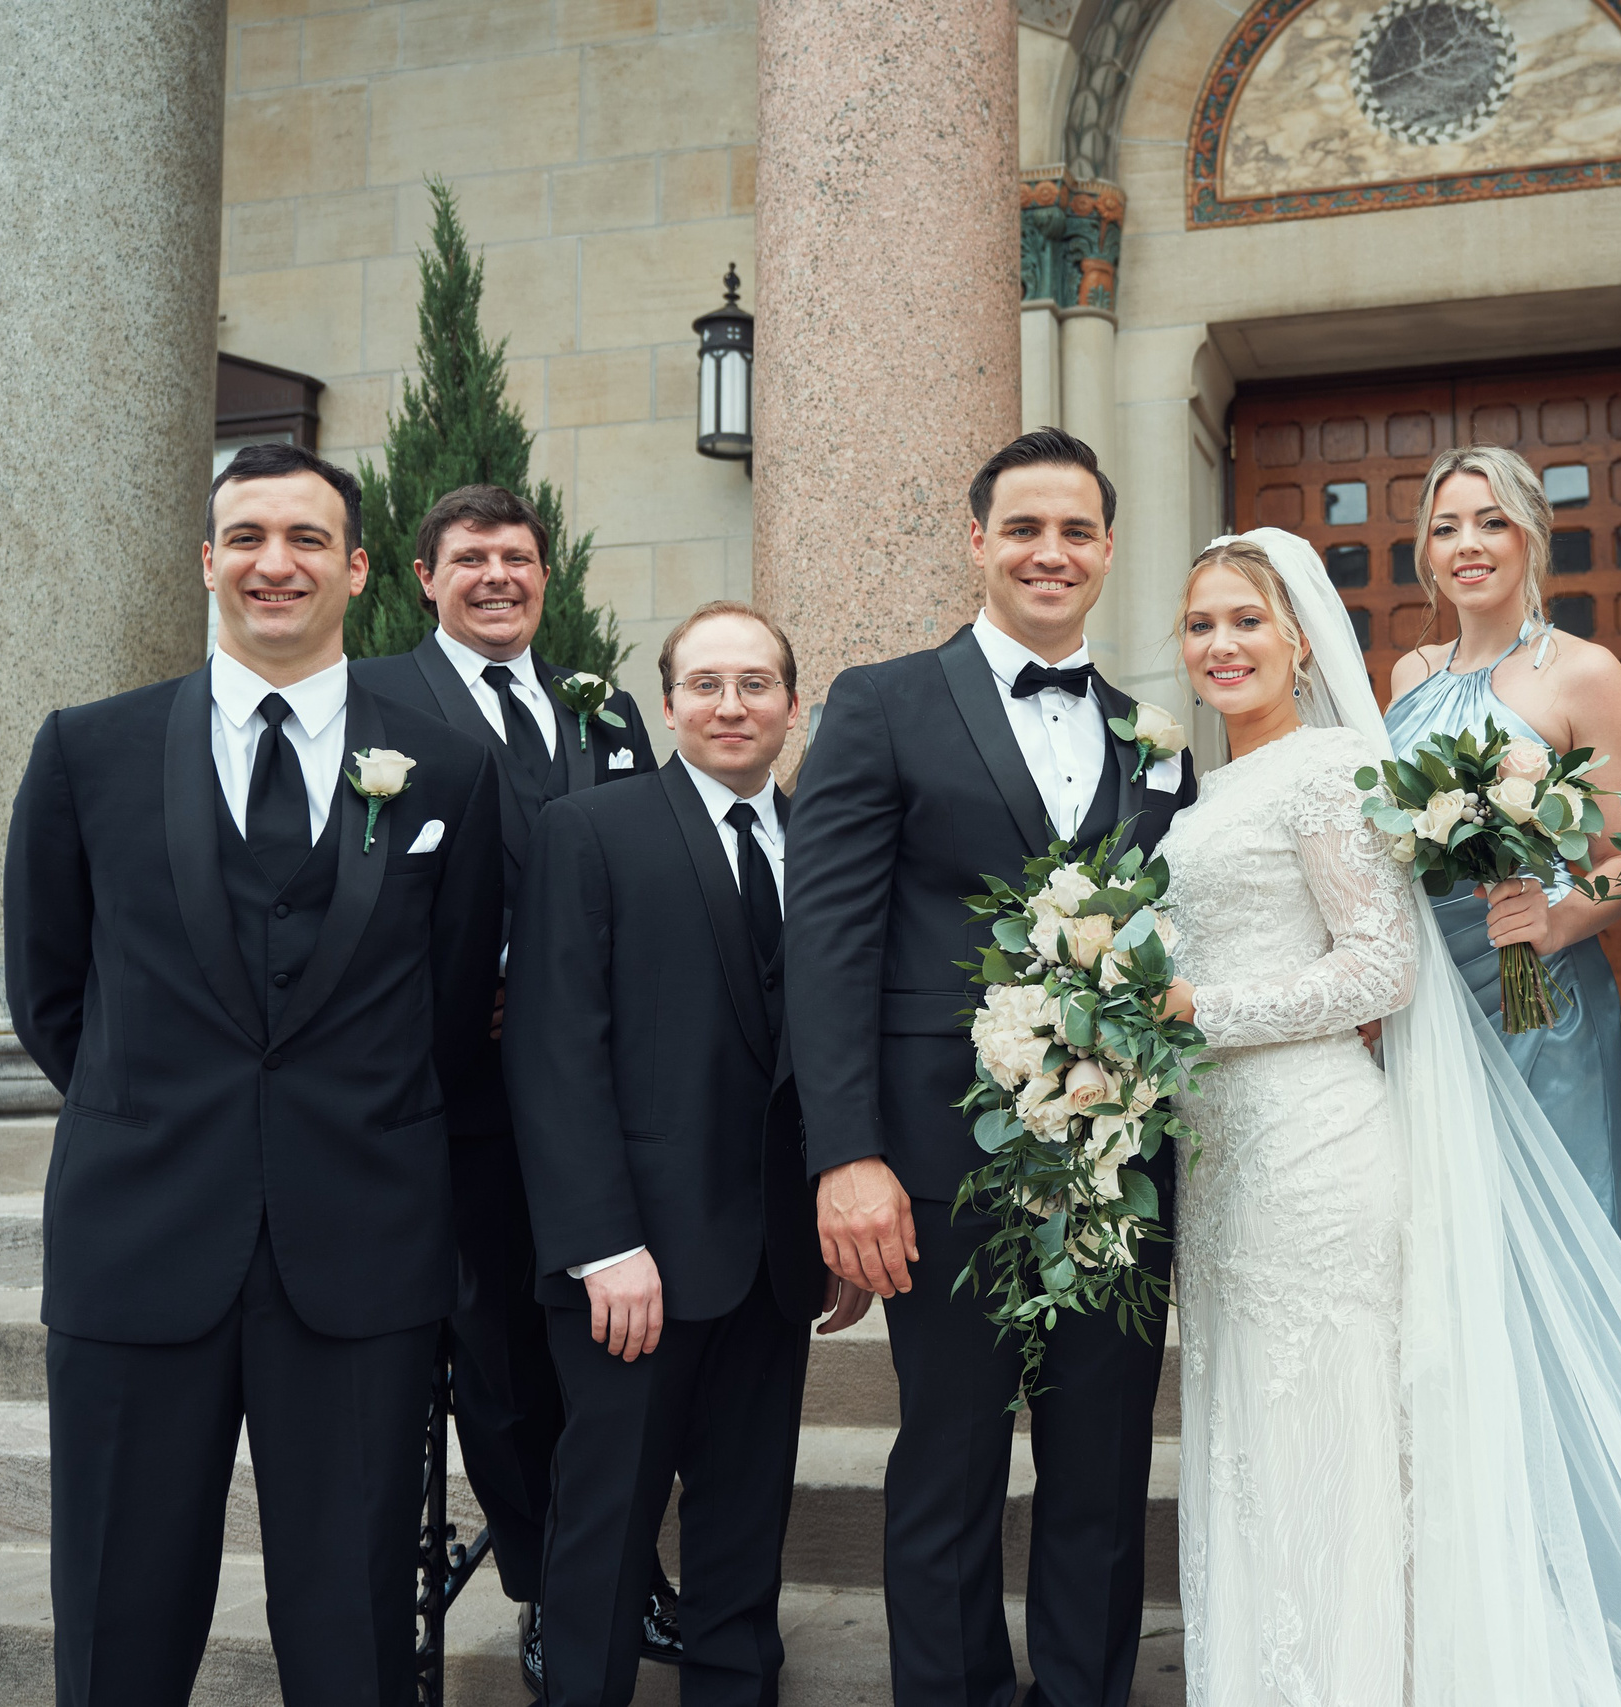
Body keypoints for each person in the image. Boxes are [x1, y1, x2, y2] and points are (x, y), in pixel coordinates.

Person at [1158, 527, 1621, 1706]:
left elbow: (1379, 962)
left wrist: (1194, 1008)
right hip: (1234, 1145)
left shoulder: (1338, 763)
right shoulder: (1272, 754)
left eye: (1245, 620)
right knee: (1269, 1425)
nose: (1221, 643)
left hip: (1368, 1107)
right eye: (1199, 624)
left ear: (1300, 639)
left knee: (1339, 1419)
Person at [5, 441, 505, 1706]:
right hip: (139, 1238)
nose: (272, 564)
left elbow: (450, 1010)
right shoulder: (87, 753)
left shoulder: (446, 770)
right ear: (208, 562)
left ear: (357, 568)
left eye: (303, 540)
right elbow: (50, 992)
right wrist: (163, 1108)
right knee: (119, 1616)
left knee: (352, 1629)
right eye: (246, 538)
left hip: (362, 1255)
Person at [783, 427, 1199, 1707]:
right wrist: (846, 1155)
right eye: (1023, 528)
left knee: (1101, 1455)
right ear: (976, 542)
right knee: (950, 1452)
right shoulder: (881, 700)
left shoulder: (1155, 735)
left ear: (1110, 550)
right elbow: (829, 942)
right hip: (932, 1154)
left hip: (1115, 1158)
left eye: (1075, 531)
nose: (1049, 553)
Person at [506, 600, 868, 1707]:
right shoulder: (591, 831)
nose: (731, 705)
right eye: (705, 684)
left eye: (756, 684)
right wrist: (602, 1244)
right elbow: (553, 1052)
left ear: (792, 705)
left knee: (745, 1518)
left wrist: (835, 1221)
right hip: (635, 1264)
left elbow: (835, 1050)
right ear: (666, 703)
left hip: (771, 1260)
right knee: (607, 1523)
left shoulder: (825, 844)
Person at [351, 483, 663, 1690]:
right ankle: (548, 1584)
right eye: (470, 558)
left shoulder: (608, 711)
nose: (497, 577)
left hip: (605, 1090)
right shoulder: (375, 706)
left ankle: (627, 1572)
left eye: (518, 558)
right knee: (499, 1359)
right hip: (460, 1096)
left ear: (548, 575)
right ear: (422, 578)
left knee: (618, 1348)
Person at [1383, 445, 1621, 1232]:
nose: (1469, 544)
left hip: (1542, 996)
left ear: (1530, 533)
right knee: (1450, 1241)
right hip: (1432, 1000)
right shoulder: (1409, 674)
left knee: (1551, 1235)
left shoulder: (1585, 672)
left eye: (1491, 522)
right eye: (1447, 528)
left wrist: (1561, 920)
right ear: (1427, 554)